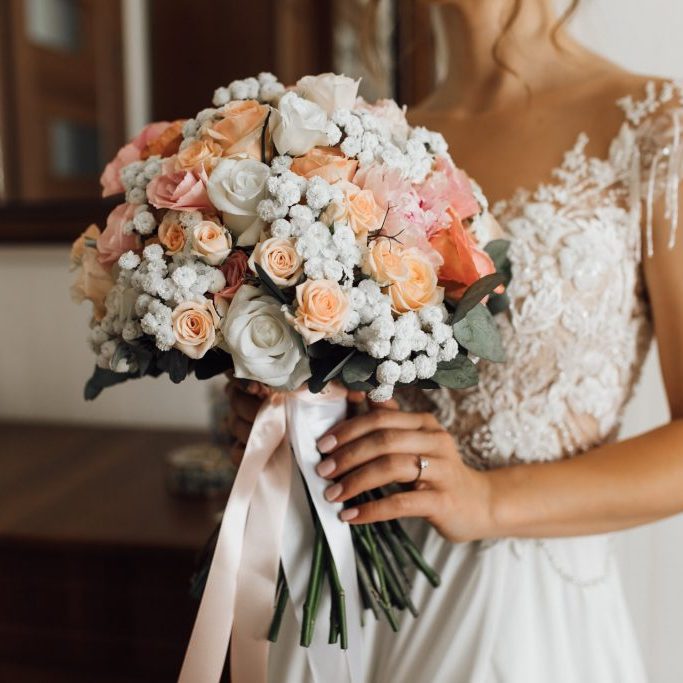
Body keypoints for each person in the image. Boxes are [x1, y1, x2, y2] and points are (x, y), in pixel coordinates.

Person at [226, 0, 683, 680]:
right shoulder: (363, 149)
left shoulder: (654, 128)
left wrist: (488, 500)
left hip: (522, 617)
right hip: (346, 593)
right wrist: (288, 419)